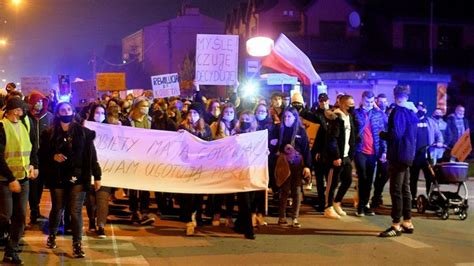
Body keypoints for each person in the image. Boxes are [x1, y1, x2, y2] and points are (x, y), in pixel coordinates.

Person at [40, 101, 101, 257]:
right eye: (63, 110)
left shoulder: (84, 133)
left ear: (72, 111)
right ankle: (52, 235)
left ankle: (77, 244)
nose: (66, 112)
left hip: (78, 177)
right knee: (58, 207)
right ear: (58, 113)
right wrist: (53, 156)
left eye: (68, 109)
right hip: (58, 176)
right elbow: (41, 155)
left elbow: (91, 156)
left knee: (75, 211)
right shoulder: (49, 133)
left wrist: (97, 176)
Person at [0, 97, 39, 265]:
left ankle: (11, 250)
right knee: (5, 215)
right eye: (21, 109)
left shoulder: (24, 126)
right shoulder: (2, 127)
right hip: (4, 180)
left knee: (20, 216)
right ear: (14, 110)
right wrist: (11, 178)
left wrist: (32, 165)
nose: (24, 111)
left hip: (23, 179)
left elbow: (30, 149)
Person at [379, 85, 418, 237]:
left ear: (395, 96)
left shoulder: (398, 112)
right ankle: (407, 222)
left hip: (398, 155)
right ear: (407, 97)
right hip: (408, 154)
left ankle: (396, 225)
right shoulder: (412, 113)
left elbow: (396, 134)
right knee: (405, 189)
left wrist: (383, 134)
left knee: (396, 190)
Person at [270, 107, 311, 228]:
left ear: (295, 118)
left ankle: (295, 217)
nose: (287, 119)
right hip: (283, 163)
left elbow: (306, 149)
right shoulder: (278, 129)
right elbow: (273, 145)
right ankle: (281, 217)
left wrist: (307, 166)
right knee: (284, 190)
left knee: (296, 191)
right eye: (285, 116)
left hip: (297, 164)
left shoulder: (301, 131)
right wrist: (282, 147)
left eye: (290, 117)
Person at [178, 102, 212, 236]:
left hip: (201, 165)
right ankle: (188, 217)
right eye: (190, 113)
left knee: (198, 193)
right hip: (187, 165)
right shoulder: (182, 127)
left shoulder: (206, 129)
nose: (192, 116)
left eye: (195, 113)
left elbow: (209, 145)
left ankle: (198, 215)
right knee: (188, 193)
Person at [353, 91, 387, 217]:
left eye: (372, 102)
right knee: (362, 177)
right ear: (362, 100)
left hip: (373, 151)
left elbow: (382, 133)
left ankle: (365, 204)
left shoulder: (378, 114)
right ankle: (360, 206)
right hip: (360, 150)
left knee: (369, 180)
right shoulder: (356, 114)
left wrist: (384, 151)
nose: (369, 104)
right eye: (367, 101)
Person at [323, 95, 356, 219]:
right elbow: (332, 139)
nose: (352, 107)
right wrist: (336, 156)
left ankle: (337, 202)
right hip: (336, 156)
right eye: (349, 105)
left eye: (353, 104)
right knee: (333, 182)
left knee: (348, 180)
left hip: (346, 155)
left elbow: (352, 136)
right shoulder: (336, 118)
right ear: (342, 104)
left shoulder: (349, 117)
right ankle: (328, 207)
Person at [26, 90, 54, 224]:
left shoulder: (49, 117)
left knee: (41, 185)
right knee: (33, 185)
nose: (38, 104)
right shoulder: (26, 118)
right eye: (36, 102)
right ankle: (34, 210)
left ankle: (39, 208)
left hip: (46, 159)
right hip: (31, 158)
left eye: (40, 102)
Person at [127, 97, 155, 225]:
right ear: (136, 107)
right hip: (132, 158)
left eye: (147, 106)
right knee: (133, 187)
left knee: (145, 186)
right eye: (143, 106)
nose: (146, 108)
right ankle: (134, 211)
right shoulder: (128, 121)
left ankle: (144, 211)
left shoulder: (149, 121)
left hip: (146, 158)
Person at [84, 104, 111, 238]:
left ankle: (101, 225)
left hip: (106, 170)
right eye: (97, 112)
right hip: (89, 170)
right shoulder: (85, 130)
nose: (100, 115)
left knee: (102, 200)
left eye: (102, 113)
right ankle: (92, 220)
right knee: (90, 200)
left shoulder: (111, 130)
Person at [410, 102, 443, 207]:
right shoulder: (411, 121)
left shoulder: (431, 122)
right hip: (414, 155)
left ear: (426, 110)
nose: (421, 110)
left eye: (422, 108)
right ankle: (413, 198)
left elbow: (438, 134)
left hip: (428, 155)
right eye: (418, 108)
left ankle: (429, 198)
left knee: (430, 178)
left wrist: (439, 142)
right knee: (413, 178)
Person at [210, 103, 238, 227]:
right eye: (226, 112)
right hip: (219, 163)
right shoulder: (215, 126)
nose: (229, 115)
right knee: (218, 191)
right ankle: (216, 214)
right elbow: (209, 141)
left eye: (231, 112)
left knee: (230, 192)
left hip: (233, 163)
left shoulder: (237, 126)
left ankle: (229, 216)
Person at [233, 111, 259, 239]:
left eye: (247, 119)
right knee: (245, 202)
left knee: (251, 201)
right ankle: (249, 230)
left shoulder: (257, 136)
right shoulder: (235, 134)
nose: (244, 121)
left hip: (253, 171)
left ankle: (239, 224)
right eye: (242, 119)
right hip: (240, 171)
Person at [311, 93, 331, 212]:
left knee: (329, 179)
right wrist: (317, 151)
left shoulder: (334, 113)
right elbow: (316, 135)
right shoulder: (316, 115)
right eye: (321, 101)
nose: (323, 103)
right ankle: (321, 202)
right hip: (319, 151)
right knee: (319, 179)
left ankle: (328, 202)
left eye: (325, 101)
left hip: (331, 151)